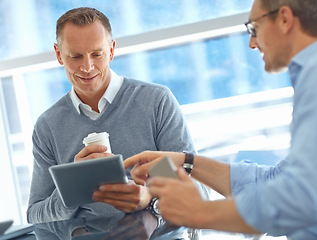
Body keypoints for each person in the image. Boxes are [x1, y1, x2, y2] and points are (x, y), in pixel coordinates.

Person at [123, 0, 317, 238]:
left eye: (254, 28)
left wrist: (199, 211)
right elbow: (276, 180)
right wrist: (184, 161)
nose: (252, 43)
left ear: (285, 19)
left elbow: (302, 197)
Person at [26, 7, 207, 224]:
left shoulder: (155, 102)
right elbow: (35, 213)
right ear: (59, 55)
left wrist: (148, 197)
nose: (87, 67)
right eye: (75, 56)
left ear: (111, 50)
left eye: (97, 54)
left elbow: (197, 191)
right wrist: (72, 187)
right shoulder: (49, 126)